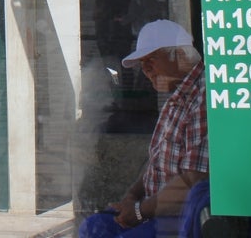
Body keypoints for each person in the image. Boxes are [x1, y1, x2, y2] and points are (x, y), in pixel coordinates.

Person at [79, 19, 208, 237]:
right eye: (142, 64)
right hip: (156, 212)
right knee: (93, 227)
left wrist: (139, 211)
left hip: (185, 219)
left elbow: (192, 181)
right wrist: (131, 197)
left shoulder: (204, 97)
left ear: (180, 54)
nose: (146, 70)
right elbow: (156, 162)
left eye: (151, 60)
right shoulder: (174, 101)